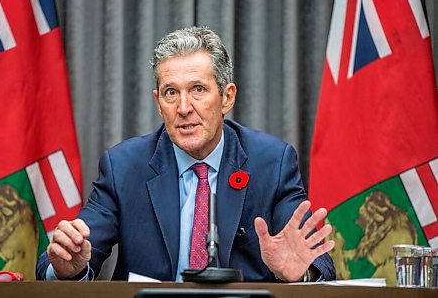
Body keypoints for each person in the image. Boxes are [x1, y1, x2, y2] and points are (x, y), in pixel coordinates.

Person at [36, 27, 336, 282]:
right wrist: (66, 268)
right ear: (158, 102)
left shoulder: (271, 162)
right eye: (170, 92)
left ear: (227, 97)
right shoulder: (124, 166)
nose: (183, 108)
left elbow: (315, 262)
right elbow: (76, 250)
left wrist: (301, 274)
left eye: (197, 90)